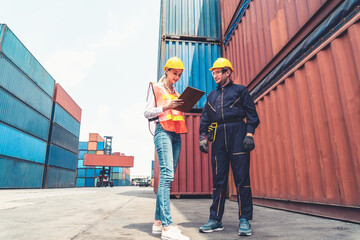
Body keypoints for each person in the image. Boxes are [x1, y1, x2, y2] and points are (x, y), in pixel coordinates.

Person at [198, 58, 260, 236]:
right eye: (213, 72)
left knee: (242, 179)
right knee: (219, 180)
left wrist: (249, 134)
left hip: (238, 134)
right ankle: (215, 219)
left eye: (218, 72)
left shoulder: (240, 91)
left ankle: (244, 219)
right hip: (218, 137)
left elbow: (252, 115)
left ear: (228, 72)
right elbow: (206, 119)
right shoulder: (211, 96)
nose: (215, 75)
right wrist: (203, 137)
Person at [144, 57, 190, 240]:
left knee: (168, 177)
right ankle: (167, 227)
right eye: (174, 74)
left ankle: (157, 222)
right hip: (162, 132)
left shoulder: (176, 93)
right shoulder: (156, 88)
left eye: (179, 75)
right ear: (166, 71)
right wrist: (166, 106)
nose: (176, 77)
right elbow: (147, 112)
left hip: (176, 134)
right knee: (167, 176)